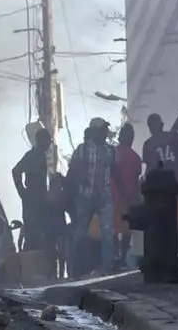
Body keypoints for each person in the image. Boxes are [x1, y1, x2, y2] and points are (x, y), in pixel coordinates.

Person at [67, 117, 116, 278]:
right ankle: (74, 268)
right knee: (80, 232)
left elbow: (115, 172)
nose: (104, 133)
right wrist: (79, 181)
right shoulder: (82, 149)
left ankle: (106, 268)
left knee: (107, 232)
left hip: (104, 197)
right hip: (85, 196)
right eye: (102, 130)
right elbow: (73, 170)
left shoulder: (110, 150)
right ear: (94, 131)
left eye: (105, 129)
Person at [12, 128, 52, 251]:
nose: (49, 144)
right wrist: (22, 192)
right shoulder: (32, 156)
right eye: (47, 141)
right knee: (32, 236)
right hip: (32, 201)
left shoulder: (41, 156)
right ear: (40, 141)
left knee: (41, 236)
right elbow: (16, 171)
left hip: (39, 199)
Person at [112, 123, 142, 268]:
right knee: (126, 231)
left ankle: (112, 258)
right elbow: (136, 182)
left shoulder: (112, 152)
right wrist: (136, 200)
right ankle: (122, 257)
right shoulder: (136, 158)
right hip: (128, 199)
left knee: (111, 229)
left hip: (111, 196)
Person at [142, 113, 178, 188]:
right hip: (176, 181)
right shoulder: (174, 136)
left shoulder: (148, 144)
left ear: (150, 128)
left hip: (159, 185)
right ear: (161, 124)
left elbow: (149, 168)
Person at [47, 172, 70, 280]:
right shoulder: (50, 195)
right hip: (54, 226)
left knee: (61, 253)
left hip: (59, 225)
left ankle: (60, 274)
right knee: (54, 253)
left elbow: (66, 207)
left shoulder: (58, 194)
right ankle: (55, 274)